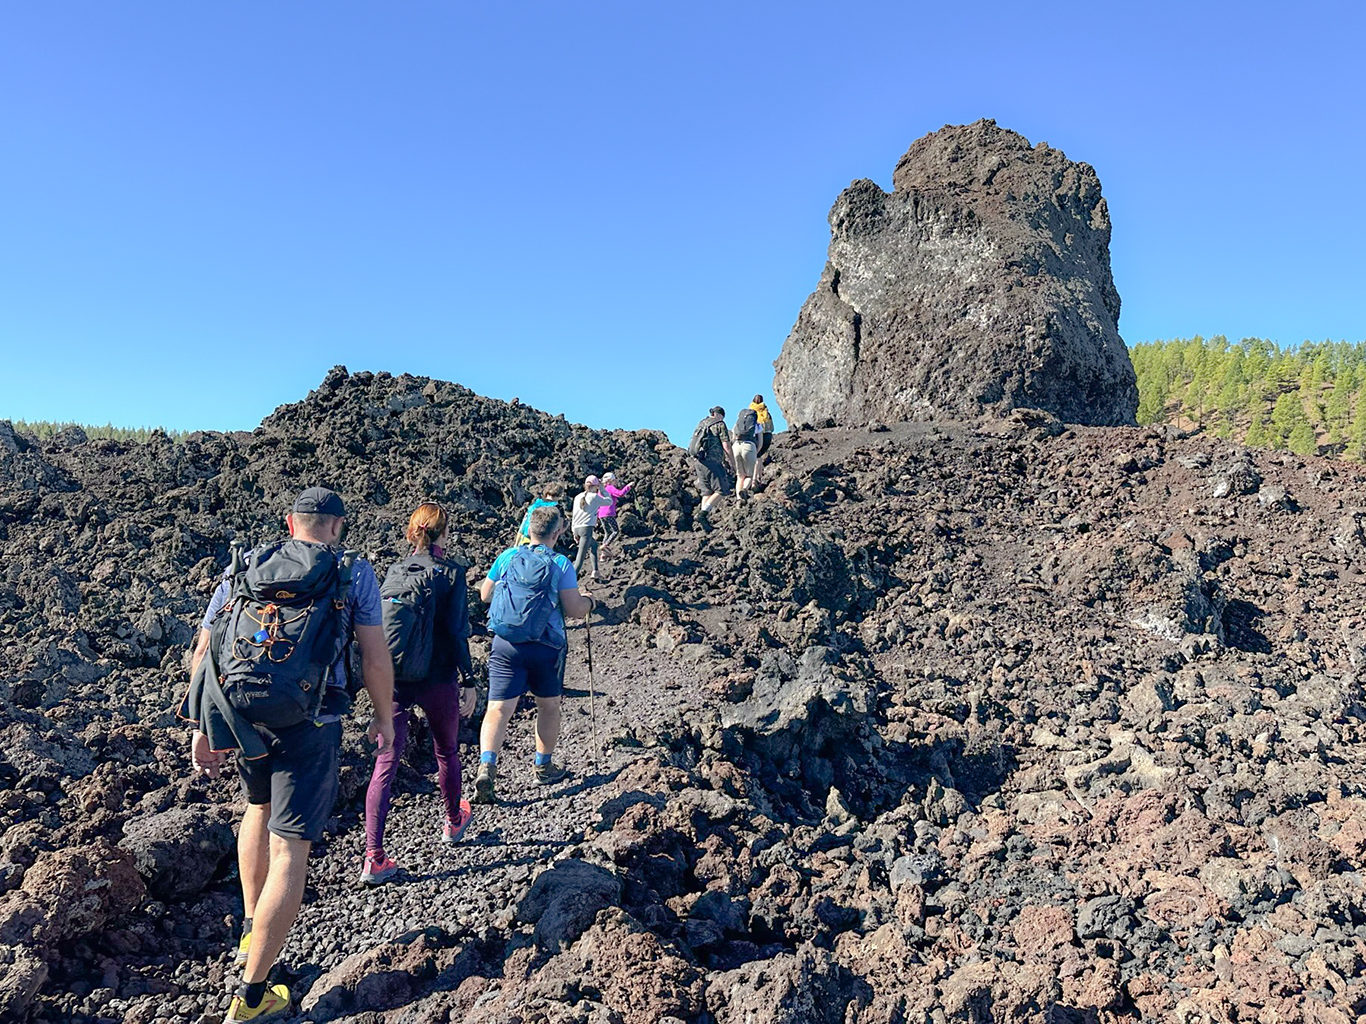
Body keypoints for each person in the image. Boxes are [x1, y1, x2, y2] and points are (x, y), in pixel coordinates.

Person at [181, 487, 394, 1024]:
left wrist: (202, 727)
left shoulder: (245, 565)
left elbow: (205, 652)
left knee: (256, 808)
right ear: (337, 527)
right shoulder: (353, 573)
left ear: (289, 522)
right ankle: (253, 997)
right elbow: (374, 655)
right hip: (312, 721)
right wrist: (385, 717)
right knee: (290, 850)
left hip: (243, 715)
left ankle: (253, 926)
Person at [360, 503, 478, 886]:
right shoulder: (451, 573)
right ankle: (453, 820)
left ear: (413, 532)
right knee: (446, 750)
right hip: (438, 676)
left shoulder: (394, 570)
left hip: (393, 678)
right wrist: (470, 679)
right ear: (444, 534)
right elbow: (458, 632)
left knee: (386, 763)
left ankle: (373, 857)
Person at [474, 506, 595, 803]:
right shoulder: (561, 564)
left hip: (505, 644)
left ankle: (487, 766)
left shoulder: (507, 556)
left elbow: (484, 595)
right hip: (545, 647)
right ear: (557, 533)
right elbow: (574, 609)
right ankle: (543, 766)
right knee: (549, 705)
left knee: (498, 709)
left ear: (529, 529)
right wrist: (590, 603)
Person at [688, 406, 734, 527]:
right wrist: (733, 463)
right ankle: (702, 514)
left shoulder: (701, 423)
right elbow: (726, 446)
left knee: (707, 492)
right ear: (720, 415)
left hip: (699, 460)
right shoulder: (720, 424)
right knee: (722, 490)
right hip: (712, 461)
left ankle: (704, 523)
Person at [571, 476, 613, 581]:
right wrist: (602, 489)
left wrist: (574, 532)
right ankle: (567, 585)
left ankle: (596, 572)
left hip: (576, 528)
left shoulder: (577, 497)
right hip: (586, 530)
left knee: (594, 545)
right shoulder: (594, 496)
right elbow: (609, 502)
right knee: (579, 560)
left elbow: (574, 515)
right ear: (596, 486)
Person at [731, 406, 762, 498]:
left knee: (740, 476)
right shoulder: (757, 425)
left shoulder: (736, 425)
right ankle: (744, 489)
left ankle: (739, 499)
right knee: (749, 475)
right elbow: (760, 442)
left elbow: (733, 438)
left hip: (736, 446)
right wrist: (755, 453)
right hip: (749, 446)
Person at [597, 472, 633, 551]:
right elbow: (620, 494)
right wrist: (628, 486)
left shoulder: (601, 490)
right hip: (609, 514)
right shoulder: (610, 488)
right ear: (610, 481)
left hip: (601, 515)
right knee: (615, 531)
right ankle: (605, 545)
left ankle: (603, 554)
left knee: (607, 533)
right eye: (614, 480)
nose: (616, 482)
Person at [750, 395, 775, 483]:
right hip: (767, 435)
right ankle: (759, 476)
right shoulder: (766, 411)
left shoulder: (750, 412)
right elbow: (772, 428)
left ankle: (754, 479)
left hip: (755, 435)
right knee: (759, 456)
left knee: (756, 456)